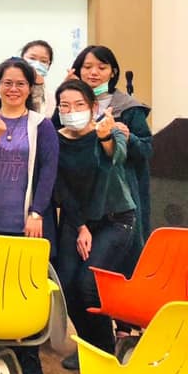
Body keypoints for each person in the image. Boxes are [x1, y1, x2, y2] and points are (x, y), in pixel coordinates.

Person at [0, 58, 59, 374]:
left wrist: (37, 212)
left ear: (30, 88)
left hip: (27, 221)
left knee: (27, 288)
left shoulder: (40, 125)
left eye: (20, 83)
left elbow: (48, 171)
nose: (14, 89)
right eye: (7, 83)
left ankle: (29, 355)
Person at [54, 79, 137, 364]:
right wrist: (81, 227)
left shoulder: (109, 131)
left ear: (92, 107)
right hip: (77, 220)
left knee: (89, 284)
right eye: (65, 105)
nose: (72, 111)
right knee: (66, 284)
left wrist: (105, 138)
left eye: (79, 105)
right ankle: (88, 345)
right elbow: (62, 188)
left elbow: (116, 157)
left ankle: (102, 352)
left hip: (115, 219)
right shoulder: (56, 139)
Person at [65, 45, 152, 244]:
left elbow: (146, 149)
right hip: (80, 194)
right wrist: (67, 90)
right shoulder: (69, 105)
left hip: (118, 197)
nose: (93, 72)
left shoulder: (128, 107)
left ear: (113, 72)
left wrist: (128, 137)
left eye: (102, 67)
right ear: (78, 70)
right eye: (87, 67)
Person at [20, 40, 56, 116]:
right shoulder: (11, 88)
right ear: (22, 59)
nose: (37, 64)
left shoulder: (52, 98)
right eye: (32, 58)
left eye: (43, 61)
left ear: (48, 66)